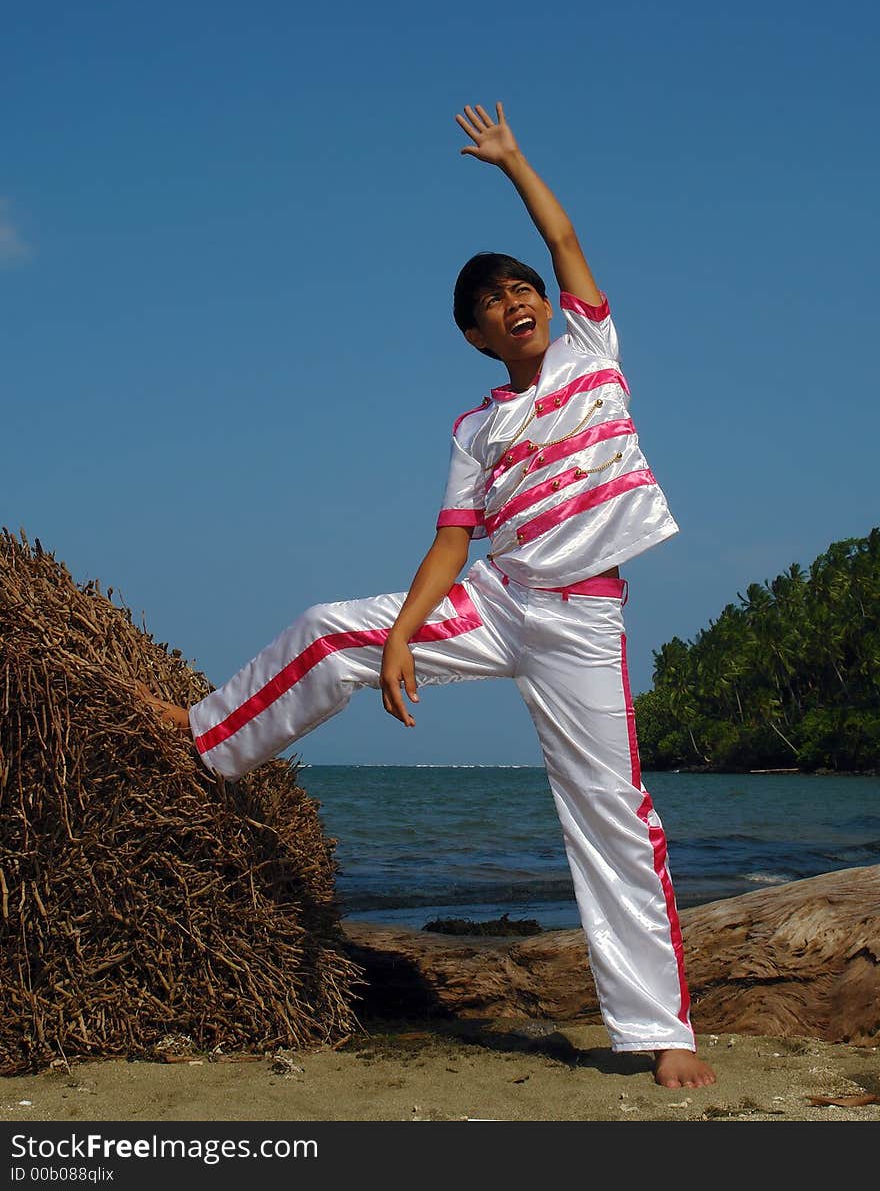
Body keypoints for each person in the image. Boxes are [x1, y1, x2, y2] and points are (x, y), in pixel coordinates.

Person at [142, 102, 715, 1090]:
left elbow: (563, 235)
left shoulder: (591, 351)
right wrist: (402, 638)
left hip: (580, 616)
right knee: (333, 630)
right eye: (492, 301)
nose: (514, 299)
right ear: (473, 335)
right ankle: (208, 739)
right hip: (497, 596)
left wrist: (512, 160)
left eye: (521, 287)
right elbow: (451, 543)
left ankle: (662, 1031)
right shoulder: (475, 429)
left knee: (611, 814)